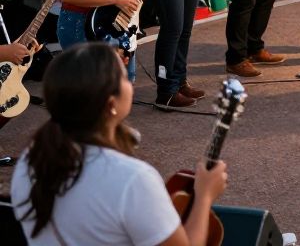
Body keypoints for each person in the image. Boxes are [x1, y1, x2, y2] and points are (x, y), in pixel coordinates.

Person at [11, 42, 227, 245]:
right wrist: (204, 195)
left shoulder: (32, 160)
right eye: (124, 77)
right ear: (111, 104)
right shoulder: (133, 179)